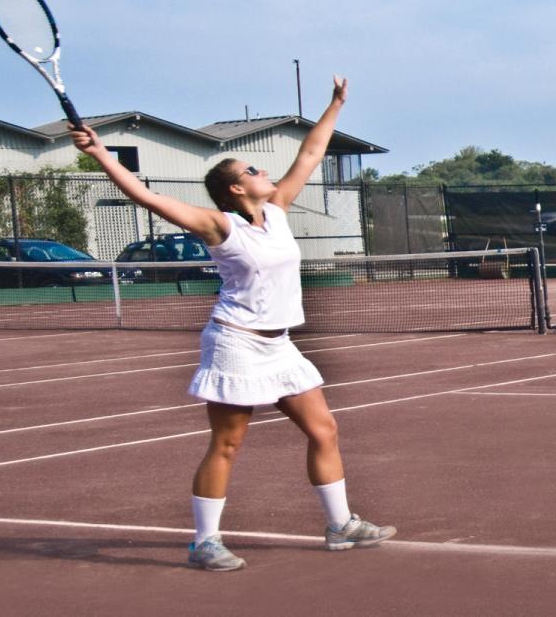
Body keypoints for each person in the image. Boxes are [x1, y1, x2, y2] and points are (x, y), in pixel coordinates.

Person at [71, 76, 394, 571]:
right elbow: (147, 198)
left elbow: (309, 154)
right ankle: (205, 542)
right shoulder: (221, 224)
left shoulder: (278, 211)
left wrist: (335, 105)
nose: (266, 171)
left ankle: (340, 525)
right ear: (236, 188)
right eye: (252, 169)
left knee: (324, 430)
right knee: (227, 443)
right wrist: (101, 155)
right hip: (236, 344)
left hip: (280, 346)